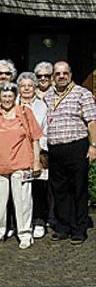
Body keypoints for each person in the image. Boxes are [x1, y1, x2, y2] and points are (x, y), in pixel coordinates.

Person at [0, 82, 42, 249]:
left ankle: (24, 233)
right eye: (4, 96)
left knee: (22, 201)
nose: (7, 99)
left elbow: (35, 138)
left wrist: (36, 162)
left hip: (21, 163)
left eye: (10, 96)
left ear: (15, 97)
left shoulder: (25, 112)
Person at [43, 61, 96, 244]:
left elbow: (91, 122)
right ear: (53, 77)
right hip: (55, 150)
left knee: (78, 189)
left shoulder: (83, 94)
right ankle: (63, 226)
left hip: (76, 147)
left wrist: (94, 146)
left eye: (65, 73)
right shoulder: (47, 96)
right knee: (59, 190)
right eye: (57, 74)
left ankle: (79, 229)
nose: (61, 76)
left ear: (71, 74)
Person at [17, 72, 50, 239]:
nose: (27, 89)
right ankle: (20, 223)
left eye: (30, 85)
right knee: (18, 190)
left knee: (37, 189)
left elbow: (45, 130)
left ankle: (38, 220)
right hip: (16, 153)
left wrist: (38, 148)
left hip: (37, 151)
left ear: (35, 87)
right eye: (23, 86)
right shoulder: (11, 105)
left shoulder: (42, 106)